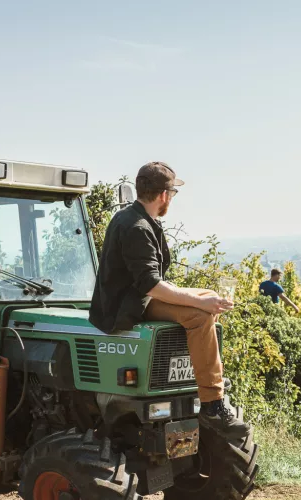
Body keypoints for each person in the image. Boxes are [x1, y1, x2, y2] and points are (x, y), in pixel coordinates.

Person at [89, 161, 248, 437]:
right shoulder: (137, 227)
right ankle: (211, 402)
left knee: (209, 298)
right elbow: (150, 284)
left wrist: (203, 300)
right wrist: (197, 304)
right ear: (164, 195)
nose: (171, 200)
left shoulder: (136, 218)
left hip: (139, 297)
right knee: (199, 315)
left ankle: (198, 359)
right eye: (172, 194)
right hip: (128, 307)